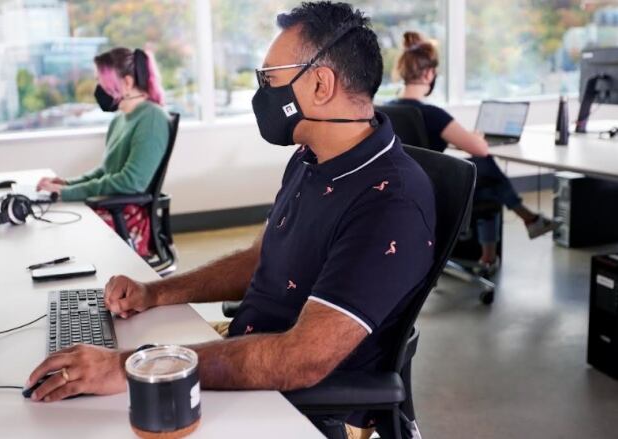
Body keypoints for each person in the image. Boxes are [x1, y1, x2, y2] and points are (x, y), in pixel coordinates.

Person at [28, 3, 435, 438]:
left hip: (301, 408)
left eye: (270, 80)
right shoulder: (311, 158)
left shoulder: (390, 202)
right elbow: (261, 258)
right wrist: (154, 292)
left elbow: (301, 360)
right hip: (246, 356)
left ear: (321, 83)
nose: (261, 94)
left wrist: (140, 366)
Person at [389, 31, 557, 275]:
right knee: (484, 165)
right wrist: (475, 138)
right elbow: (480, 148)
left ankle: (507, 240)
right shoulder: (432, 114)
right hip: (435, 195)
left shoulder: (389, 110)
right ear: (428, 74)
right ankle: (522, 223)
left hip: (407, 191)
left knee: (485, 177)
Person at [36, 47, 170, 257]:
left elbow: (131, 181)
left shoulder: (152, 119)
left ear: (126, 82)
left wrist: (68, 193)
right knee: (47, 221)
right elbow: (106, 171)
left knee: (56, 229)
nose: (99, 88)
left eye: (104, 82)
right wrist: (67, 184)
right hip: (112, 208)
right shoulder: (120, 120)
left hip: (128, 221)